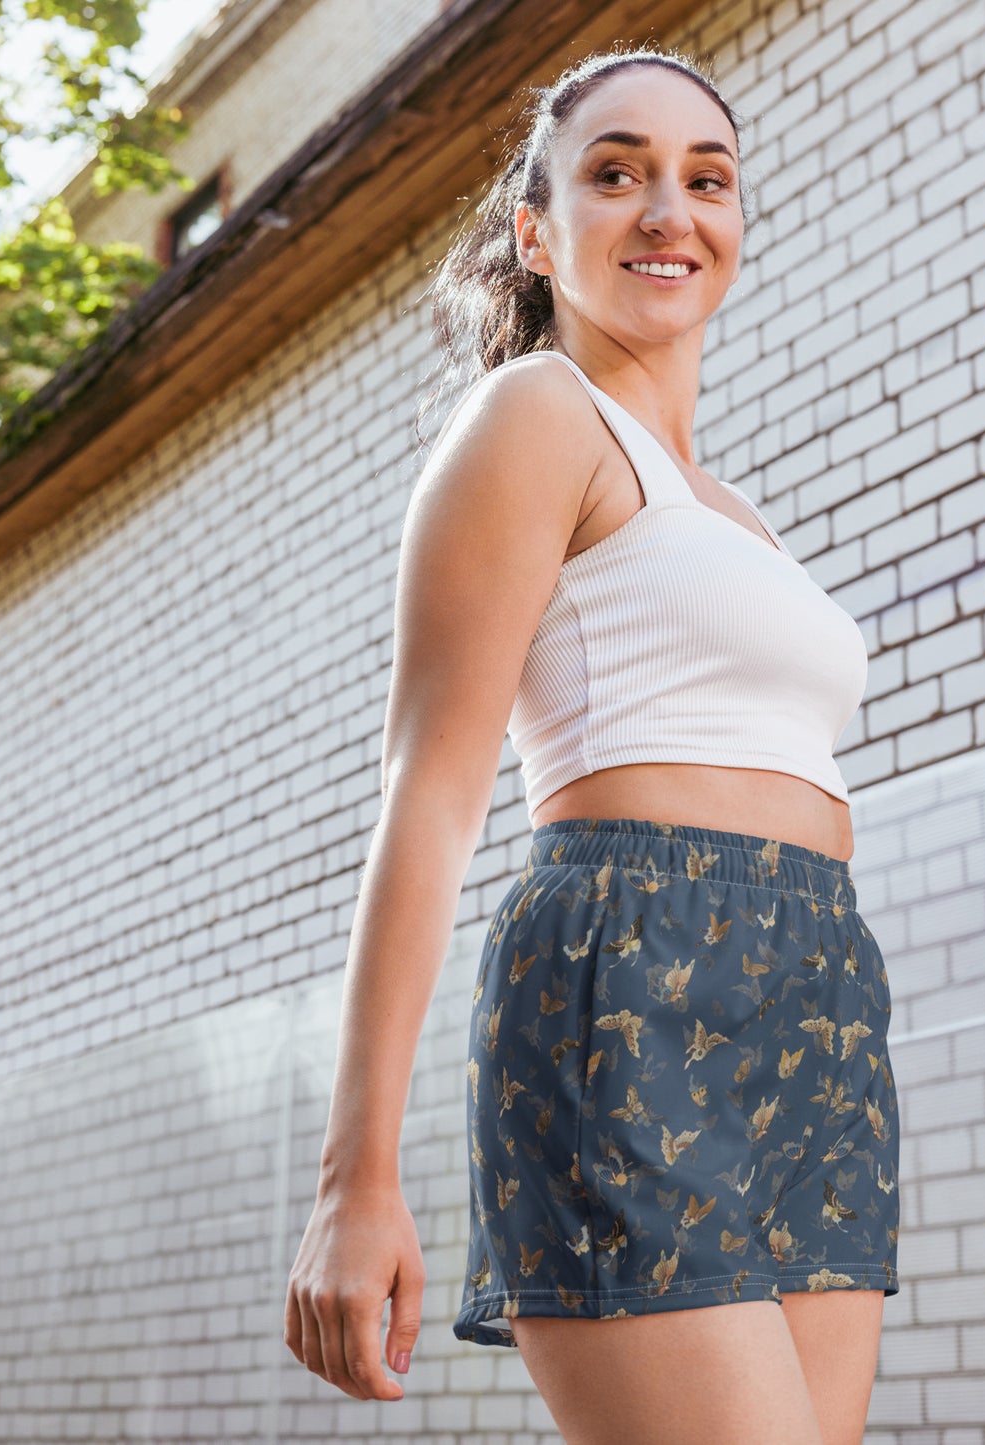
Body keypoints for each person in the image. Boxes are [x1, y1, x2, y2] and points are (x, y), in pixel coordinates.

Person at [284, 44, 900, 1445]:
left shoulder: (735, 509)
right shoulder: (533, 417)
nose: (667, 210)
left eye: (706, 179)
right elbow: (428, 795)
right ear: (534, 229)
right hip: (629, 970)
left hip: (814, 994)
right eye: (615, 173)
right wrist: (354, 1177)